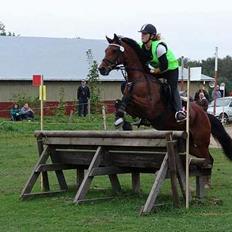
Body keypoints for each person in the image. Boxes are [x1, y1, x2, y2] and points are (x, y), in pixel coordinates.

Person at [115, 23, 186, 126]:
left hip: (170, 69)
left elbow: (164, 66)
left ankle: (179, 111)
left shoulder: (159, 47)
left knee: (172, 88)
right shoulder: (141, 46)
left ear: (152, 36)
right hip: (158, 69)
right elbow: (132, 47)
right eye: (142, 33)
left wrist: (153, 71)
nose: (142, 35)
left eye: (145, 34)